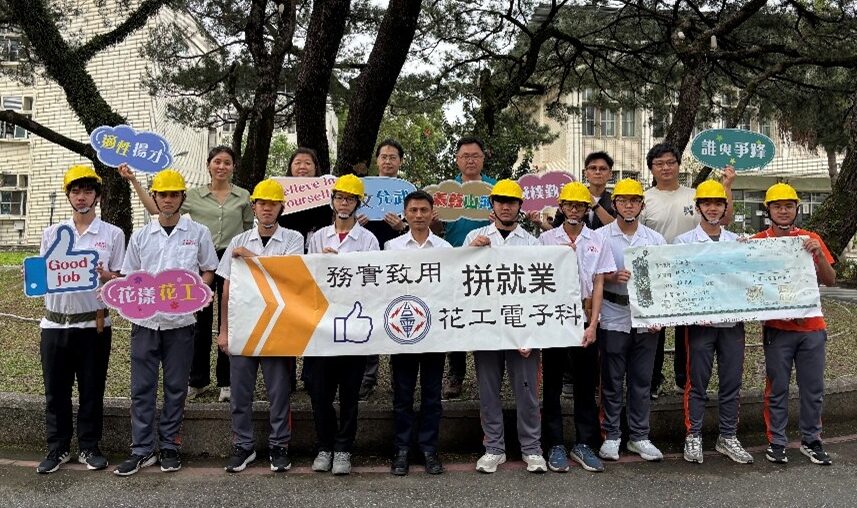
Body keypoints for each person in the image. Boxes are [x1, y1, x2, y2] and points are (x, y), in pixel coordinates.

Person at [119, 146, 253, 403]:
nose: (222, 166)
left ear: (233, 167)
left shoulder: (244, 196)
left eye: (227, 162)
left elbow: (247, 229)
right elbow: (157, 209)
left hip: (232, 260)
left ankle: (226, 381)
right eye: (217, 161)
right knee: (198, 320)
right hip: (199, 259)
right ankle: (197, 379)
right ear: (208, 165)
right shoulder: (191, 195)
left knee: (231, 319)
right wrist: (134, 181)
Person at [114, 169, 219, 476]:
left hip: (181, 323)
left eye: (174, 194)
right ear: (155, 197)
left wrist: (199, 294)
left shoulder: (198, 232)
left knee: (176, 387)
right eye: (163, 194)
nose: (168, 200)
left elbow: (208, 269)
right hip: (145, 323)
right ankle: (141, 449)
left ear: (183, 198)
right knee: (142, 388)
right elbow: (131, 275)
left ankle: (170, 446)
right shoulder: (141, 235)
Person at [35, 165, 126, 474]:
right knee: (55, 391)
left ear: (97, 196)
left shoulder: (112, 234)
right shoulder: (52, 234)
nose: (82, 197)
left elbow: (122, 279)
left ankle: (89, 446)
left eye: (88, 191)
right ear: (69, 196)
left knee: (91, 389)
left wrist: (106, 275)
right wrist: (32, 275)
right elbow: (44, 275)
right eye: (76, 191)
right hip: (54, 324)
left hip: (94, 325)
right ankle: (57, 448)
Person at [215, 179, 304, 473]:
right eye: (262, 203)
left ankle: (280, 445)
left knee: (279, 392)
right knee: (240, 393)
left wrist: (250, 258)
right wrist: (224, 330)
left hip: (278, 325)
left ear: (281, 208)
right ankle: (243, 446)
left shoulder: (293, 239)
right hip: (243, 325)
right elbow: (226, 289)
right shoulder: (238, 241)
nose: (267, 208)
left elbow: (287, 276)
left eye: (273, 204)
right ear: (253, 207)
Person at [640, 143, 735, 399]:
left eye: (671, 162)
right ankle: (653, 381)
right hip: (658, 274)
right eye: (659, 164)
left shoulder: (694, 195)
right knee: (655, 330)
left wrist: (726, 186)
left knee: (688, 330)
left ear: (679, 165)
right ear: (651, 168)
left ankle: (684, 381)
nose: (666, 168)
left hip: (693, 276)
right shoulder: (645, 199)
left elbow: (723, 219)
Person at [465, 179, 547, 474]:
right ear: (493, 205)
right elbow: (460, 279)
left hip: (521, 327)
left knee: (527, 392)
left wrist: (531, 333)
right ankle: (494, 448)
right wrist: (470, 252)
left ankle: (532, 448)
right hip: (486, 325)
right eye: (500, 201)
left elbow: (541, 292)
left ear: (520, 207)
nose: (505, 206)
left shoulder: (532, 242)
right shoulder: (475, 236)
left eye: (511, 202)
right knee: (488, 391)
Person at [751, 183, 835, 466]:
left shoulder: (811, 239)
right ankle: (777, 441)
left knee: (813, 389)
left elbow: (830, 280)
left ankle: (812, 440)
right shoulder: (758, 242)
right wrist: (740, 252)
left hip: (812, 328)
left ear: (797, 209)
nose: (783, 211)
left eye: (788, 206)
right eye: (777, 206)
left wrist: (819, 255)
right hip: (778, 329)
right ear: (768, 210)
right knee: (777, 388)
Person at [674, 180, 753, 465]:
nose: (712, 208)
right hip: (700, 326)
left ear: (725, 207)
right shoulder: (683, 242)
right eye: (706, 203)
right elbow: (677, 282)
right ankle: (693, 434)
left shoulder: (737, 242)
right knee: (697, 381)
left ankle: (728, 436)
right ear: (698, 208)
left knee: (731, 381)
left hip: (732, 324)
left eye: (718, 203)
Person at [538, 182, 615, 473]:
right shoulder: (545, 240)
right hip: (554, 320)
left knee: (585, 384)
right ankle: (554, 444)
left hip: (585, 319)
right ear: (561, 207)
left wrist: (593, 324)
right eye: (569, 205)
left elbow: (599, 283)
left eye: (579, 205)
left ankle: (584, 443)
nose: (574, 210)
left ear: (586, 210)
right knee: (552, 385)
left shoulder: (597, 240)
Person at [306, 174, 380, 476]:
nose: (344, 203)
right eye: (339, 198)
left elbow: (374, 280)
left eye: (350, 199)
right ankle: (324, 445)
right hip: (322, 325)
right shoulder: (317, 238)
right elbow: (307, 279)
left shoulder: (368, 239)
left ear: (358, 203)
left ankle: (344, 448)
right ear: (332, 201)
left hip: (353, 325)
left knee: (350, 392)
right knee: (319, 391)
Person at [596, 178, 665, 462]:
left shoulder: (654, 239)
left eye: (634, 201)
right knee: (612, 379)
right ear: (614, 204)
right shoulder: (600, 236)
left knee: (641, 379)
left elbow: (663, 281)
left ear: (641, 205)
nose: (628, 206)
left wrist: (659, 315)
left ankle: (639, 436)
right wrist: (611, 277)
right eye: (623, 201)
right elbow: (589, 276)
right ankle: (611, 435)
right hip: (613, 313)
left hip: (646, 317)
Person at [385, 190, 450, 476]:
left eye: (424, 210)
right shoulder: (391, 247)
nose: (419, 215)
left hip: (434, 332)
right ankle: (401, 449)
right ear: (405, 213)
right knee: (403, 393)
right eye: (413, 210)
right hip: (402, 330)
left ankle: (429, 449)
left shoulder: (445, 248)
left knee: (432, 395)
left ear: (432, 213)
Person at [438, 136, 497, 400]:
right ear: (457, 160)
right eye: (465, 156)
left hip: (490, 263)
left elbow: (510, 220)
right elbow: (436, 230)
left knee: (487, 315)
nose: (470, 160)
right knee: (457, 316)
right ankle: (456, 374)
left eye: (475, 155)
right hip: (456, 261)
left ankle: (490, 374)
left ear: (483, 158)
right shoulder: (446, 191)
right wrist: (434, 220)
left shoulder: (496, 189)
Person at [277, 147, 335, 390]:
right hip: (289, 262)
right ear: (290, 167)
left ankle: (311, 376)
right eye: (298, 162)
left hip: (318, 261)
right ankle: (287, 376)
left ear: (316, 168)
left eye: (308, 163)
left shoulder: (327, 193)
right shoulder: (280, 193)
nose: (302, 167)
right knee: (288, 317)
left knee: (315, 317)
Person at [356, 139, 408, 400]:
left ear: (400, 161)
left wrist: (402, 227)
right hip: (366, 265)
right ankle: (367, 378)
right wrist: (356, 224)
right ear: (377, 160)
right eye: (384, 156)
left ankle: (400, 380)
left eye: (393, 157)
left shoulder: (408, 192)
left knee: (398, 316)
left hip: (398, 266)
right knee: (368, 317)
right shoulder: (361, 190)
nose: (388, 161)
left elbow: (418, 229)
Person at [550, 151, 617, 229]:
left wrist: (595, 205)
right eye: (593, 168)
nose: (597, 172)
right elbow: (555, 228)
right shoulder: (571, 197)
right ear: (585, 173)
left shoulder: (617, 201)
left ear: (610, 174)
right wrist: (540, 223)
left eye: (603, 169)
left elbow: (617, 229)